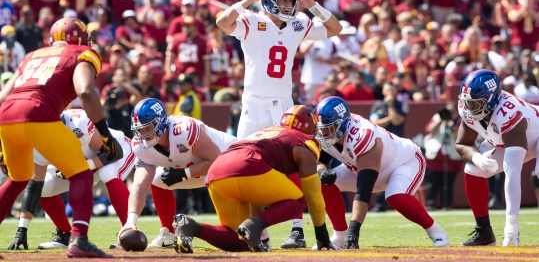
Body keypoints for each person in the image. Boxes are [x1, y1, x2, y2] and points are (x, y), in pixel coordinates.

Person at [216, 0, 343, 247]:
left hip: (283, 103)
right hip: (252, 103)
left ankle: (297, 229)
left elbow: (335, 28)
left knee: (294, 164)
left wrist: (313, 6)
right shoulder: (251, 20)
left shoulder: (298, 22)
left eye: (290, 1)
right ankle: (260, 234)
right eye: (282, 0)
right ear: (268, 0)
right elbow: (222, 23)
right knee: (247, 166)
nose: (287, 5)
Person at [0, 17, 122, 259]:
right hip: (38, 113)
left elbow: (4, 94)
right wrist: (103, 131)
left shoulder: (32, 56)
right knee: (81, 173)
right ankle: (79, 239)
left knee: (17, 178)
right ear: (82, 39)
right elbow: (85, 91)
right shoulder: (83, 52)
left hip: (6, 117)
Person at [173, 105, 337, 253]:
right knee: (299, 200)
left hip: (217, 171)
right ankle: (253, 226)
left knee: (239, 241)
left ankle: (191, 227)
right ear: (308, 123)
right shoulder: (304, 141)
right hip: (247, 166)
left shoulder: (267, 132)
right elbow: (313, 195)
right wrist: (322, 238)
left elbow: (258, 193)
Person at [314, 96, 449, 249]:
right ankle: (339, 237)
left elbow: (363, 192)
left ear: (343, 124)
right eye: (321, 128)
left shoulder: (362, 136)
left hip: (404, 162)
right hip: (359, 167)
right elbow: (321, 161)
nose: (323, 133)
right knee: (323, 183)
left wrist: (354, 231)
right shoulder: (327, 134)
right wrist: (322, 172)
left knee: (395, 196)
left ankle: (436, 232)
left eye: (328, 128)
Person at [117, 98, 238, 249]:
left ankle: (257, 230)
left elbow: (216, 160)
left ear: (160, 122)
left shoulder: (184, 130)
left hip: (230, 162)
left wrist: (183, 174)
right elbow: (140, 184)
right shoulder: (141, 147)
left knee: (235, 230)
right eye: (139, 129)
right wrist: (130, 221)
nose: (143, 134)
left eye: (147, 128)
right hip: (199, 168)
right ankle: (169, 233)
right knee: (156, 179)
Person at [7, 109, 134, 250]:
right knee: (44, 187)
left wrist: (80, 167)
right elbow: (35, 183)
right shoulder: (37, 139)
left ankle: (129, 231)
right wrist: (22, 230)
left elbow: (113, 151)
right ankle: (65, 235)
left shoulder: (79, 122)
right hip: (83, 166)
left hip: (116, 152)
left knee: (107, 174)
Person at [455, 69, 539, 247]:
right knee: (473, 170)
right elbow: (462, 144)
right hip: (506, 140)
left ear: (492, 98)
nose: (470, 108)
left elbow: (513, 174)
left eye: (476, 104)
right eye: (468, 103)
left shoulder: (509, 112)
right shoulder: (468, 108)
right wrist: (478, 158)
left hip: (535, 136)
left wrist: (511, 225)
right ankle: (484, 233)